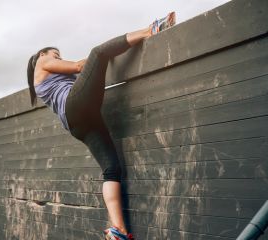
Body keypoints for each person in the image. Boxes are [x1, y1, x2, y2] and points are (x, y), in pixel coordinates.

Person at [27, 12, 176, 240]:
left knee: (112, 170)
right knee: (98, 52)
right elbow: (80, 65)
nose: (57, 58)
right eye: (55, 54)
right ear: (42, 55)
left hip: (78, 124)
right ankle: (152, 29)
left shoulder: (48, 79)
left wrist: (103, 59)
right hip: (74, 107)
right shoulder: (42, 61)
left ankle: (118, 230)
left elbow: (87, 74)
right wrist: (105, 55)